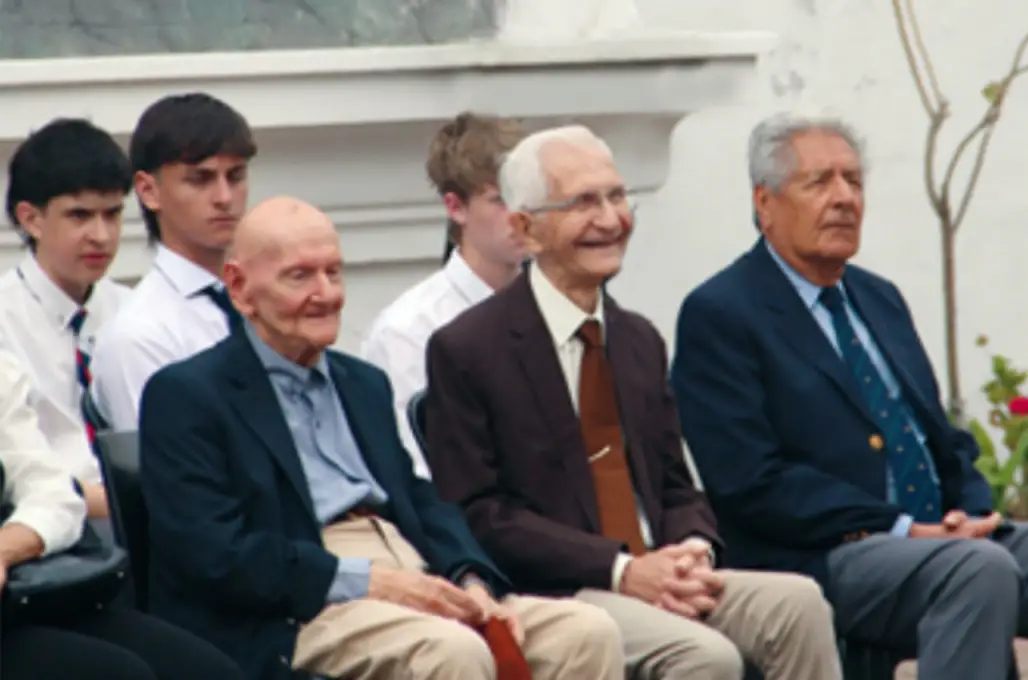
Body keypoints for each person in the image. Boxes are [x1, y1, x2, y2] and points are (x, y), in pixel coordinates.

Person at [670, 112, 1028, 680]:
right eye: (819, 182)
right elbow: (751, 482)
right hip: (827, 556)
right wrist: (902, 527)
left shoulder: (878, 298)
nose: (844, 198)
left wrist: (969, 512)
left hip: (949, 543)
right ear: (765, 203)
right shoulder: (722, 312)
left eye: (854, 181)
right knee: (975, 569)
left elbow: (942, 439)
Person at [138, 196, 624, 680]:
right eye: (299, 276)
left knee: (585, 632)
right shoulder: (188, 394)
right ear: (240, 288)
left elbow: (419, 497)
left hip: (413, 568)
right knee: (450, 651)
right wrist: (368, 581)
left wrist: (470, 577)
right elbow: (214, 553)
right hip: (303, 601)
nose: (326, 294)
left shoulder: (363, 383)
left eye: (334, 272)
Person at [425, 125, 843, 680]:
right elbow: (481, 514)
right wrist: (621, 569)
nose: (610, 219)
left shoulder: (638, 339)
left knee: (799, 603)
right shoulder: (468, 349)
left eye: (617, 197)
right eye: (584, 202)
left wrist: (693, 548)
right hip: (563, 590)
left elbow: (675, 484)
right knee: (706, 657)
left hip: (660, 568)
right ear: (526, 229)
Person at [0, 349, 243, 680]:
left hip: (21, 588)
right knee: (118, 673)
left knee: (206, 670)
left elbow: (56, 495)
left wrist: (7, 548)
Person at [362, 112, 527, 477]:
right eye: (501, 200)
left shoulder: (552, 308)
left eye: (527, 198)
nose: (520, 216)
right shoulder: (408, 331)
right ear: (456, 207)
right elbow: (416, 470)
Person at [89, 92, 256, 431]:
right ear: (149, 191)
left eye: (236, 176)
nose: (224, 198)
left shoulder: (266, 298)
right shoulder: (139, 335)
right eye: (200, 179)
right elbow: (166, 459)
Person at [0, 118, 133, 518]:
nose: (101, 236)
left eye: (112, 214)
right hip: (43, 525)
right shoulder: (5, 319)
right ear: (31, 219)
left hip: (147, 522)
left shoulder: (133, 312)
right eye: (80, 216)